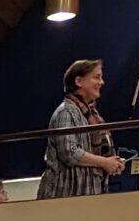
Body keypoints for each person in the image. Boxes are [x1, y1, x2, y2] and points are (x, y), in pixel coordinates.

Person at [42, 58, 127, 198]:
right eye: (96, 77)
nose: (102, 82)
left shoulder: (94, 117)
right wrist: (104, 162)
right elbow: (69, 152)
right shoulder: (66, 112)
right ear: (79, 81)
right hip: (65, 197)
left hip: (90, 194)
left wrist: (112, 162)